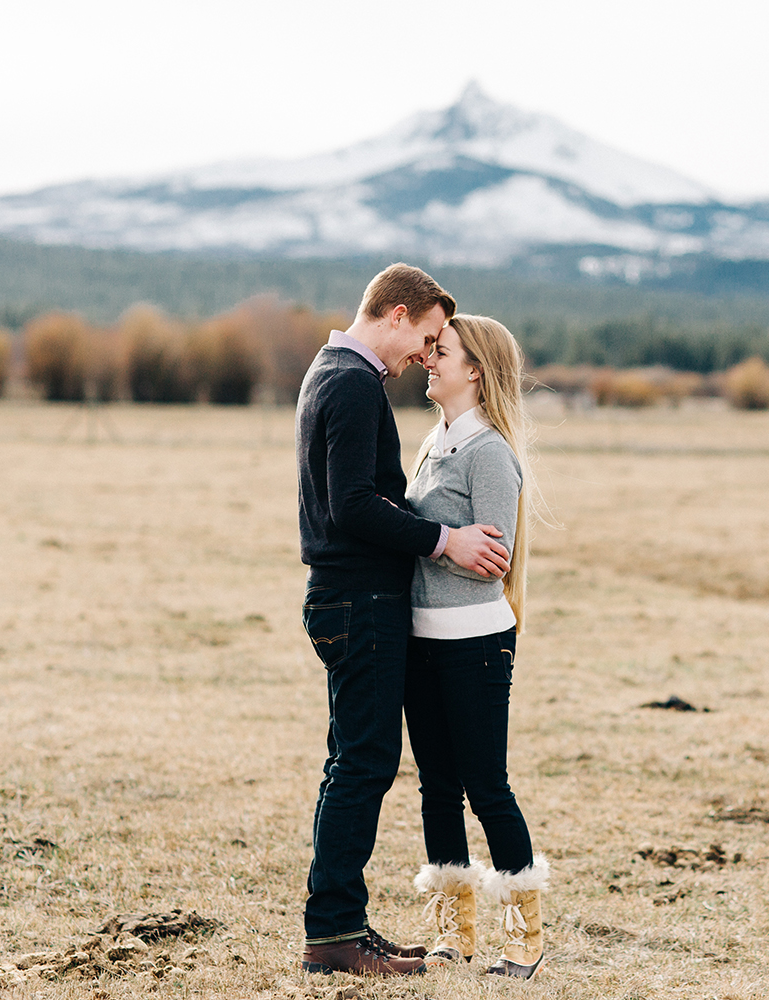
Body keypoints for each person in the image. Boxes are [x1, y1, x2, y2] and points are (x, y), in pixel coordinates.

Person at [295, 265, 511, 977]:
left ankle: (343, 925)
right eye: (423, 336)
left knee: (350, 763)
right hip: (361, 601)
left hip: (345, 599)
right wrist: (446, 540)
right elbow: (354, 504)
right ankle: (334, 935)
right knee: (362, 765)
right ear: (394, 314)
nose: (424, 353)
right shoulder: (354, 385)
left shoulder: (330, 372)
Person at [404, 314, 549, 980]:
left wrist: (426, 541)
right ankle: (453, 931)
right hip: (421, 644)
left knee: (486, 788)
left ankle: (523, 934)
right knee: (437, 788)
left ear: (475, 372)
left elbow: (493, 559)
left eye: (442, 352)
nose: (428, 359)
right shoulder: (434, 443)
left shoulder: (490, 452)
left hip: (474, 647)